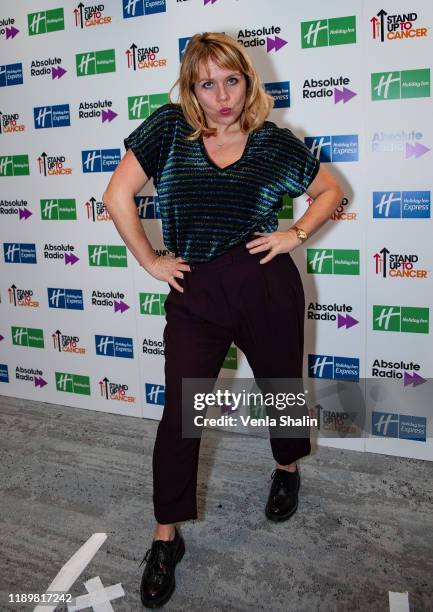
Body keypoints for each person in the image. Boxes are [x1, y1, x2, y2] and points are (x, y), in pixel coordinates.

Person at [103, 32, 343, 608]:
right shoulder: (167, 129)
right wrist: (151, 260)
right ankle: (166, 538)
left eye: (231, 80)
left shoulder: (273, 142)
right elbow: (117, 195)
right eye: (207, 84)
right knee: (180, 414)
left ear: (247, 80)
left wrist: (295, 234)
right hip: (196, 290)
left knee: (281, 388)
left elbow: (331, 189)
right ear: (191, 88)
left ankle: (286, 466)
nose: (222, 96)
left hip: (265, 283)